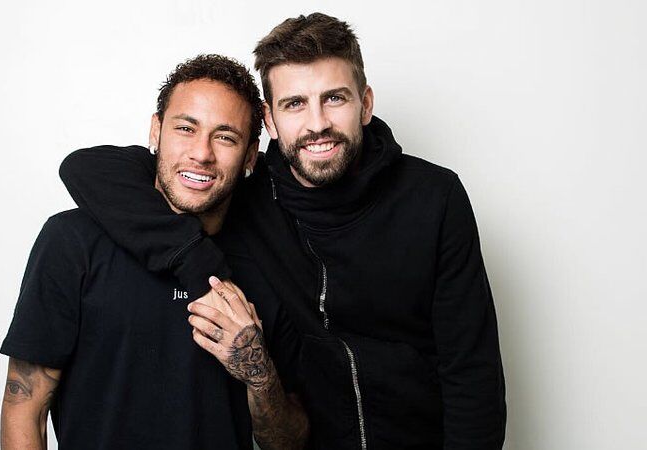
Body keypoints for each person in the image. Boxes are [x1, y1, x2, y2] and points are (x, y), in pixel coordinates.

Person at [60, 13, 507, 450]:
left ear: (365, 104)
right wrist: (195, 260)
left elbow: (471, 372)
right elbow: (90, 168)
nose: (317, 124)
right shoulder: (248, 194)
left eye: (335, 98)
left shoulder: (433, 197)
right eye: (294, 104)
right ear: (270, 120)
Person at [0, 54, 308, 450]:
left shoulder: (269, 258)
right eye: (185, 128)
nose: (201, 153)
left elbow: (291, 442)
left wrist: (258, 372)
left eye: (225, 137)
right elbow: (24, 407)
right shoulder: (73, 240)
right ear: (156, 131)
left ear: (250, 156)